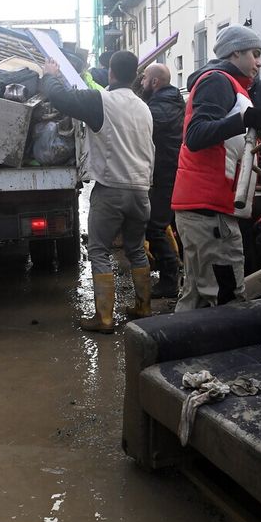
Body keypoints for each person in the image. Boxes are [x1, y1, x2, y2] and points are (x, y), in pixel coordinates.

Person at [171, 25, 261, 311]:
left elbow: (241, 157)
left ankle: (175, 340)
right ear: (235, 53)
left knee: (197, 296)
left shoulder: (233, 87)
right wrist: (246, 120)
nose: (260, 62)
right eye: (255, 54)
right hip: (209, 211)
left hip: (207, 209)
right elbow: (196, 135)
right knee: (225, 299)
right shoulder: (217, 81)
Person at [42, 51, 155, 333]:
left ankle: (104, 319)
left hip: (111, 190)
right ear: (135, 75)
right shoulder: (143, 107)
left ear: (111, 73)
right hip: (141, 191)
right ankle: (143, 307)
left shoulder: (100, 101)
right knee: (136, 249)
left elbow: (61, 99)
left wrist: (50, 75)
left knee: (99, 250)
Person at [140, 63, 185, 298]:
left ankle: (170, 280)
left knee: (154, 227)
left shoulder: (160, 108)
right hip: (169, 171)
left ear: (155, 82)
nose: (141, 82)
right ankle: (179, 273)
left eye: (144, 78)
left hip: (167, 173)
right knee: (170, 225)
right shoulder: (169, 100)